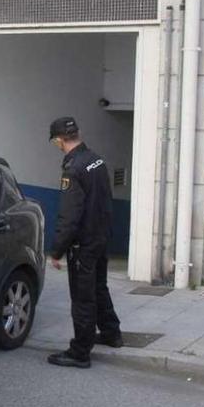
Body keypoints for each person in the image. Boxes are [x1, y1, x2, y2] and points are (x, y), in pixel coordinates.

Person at [46, 116, 123, 369]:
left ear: (59, 140)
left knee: (82, 296)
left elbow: (69, 216)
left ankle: (80, 352)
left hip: (84, 244)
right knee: (99, 287)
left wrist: (56, 251)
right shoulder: (95, 160)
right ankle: (112, 333)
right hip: (100, 237)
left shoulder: (73, 168)